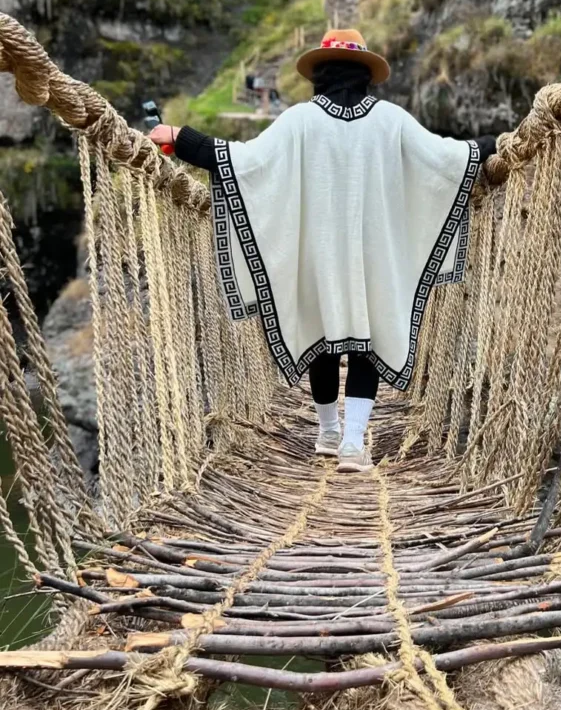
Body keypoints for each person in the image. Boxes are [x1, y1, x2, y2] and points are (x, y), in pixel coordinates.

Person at [149, 29, 496, 473]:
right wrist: (492, 146)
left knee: (322, 336)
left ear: (321, 75)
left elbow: (241, 162)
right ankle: (353, 444)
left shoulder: (299, 120)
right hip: (375, 255)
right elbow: (448, 161)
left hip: (317, 254)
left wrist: (180, 137)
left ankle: (328, 431)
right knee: (368, 340)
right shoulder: (392, 119)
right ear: (365, 74)